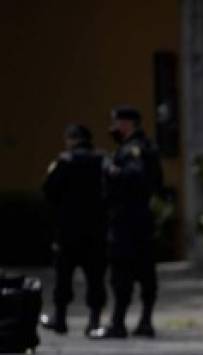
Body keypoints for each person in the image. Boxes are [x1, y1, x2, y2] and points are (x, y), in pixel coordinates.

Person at [90, 106, 163, 339]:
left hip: (127, 221)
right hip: (141, 219)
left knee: (122, 271)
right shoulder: (147, 147)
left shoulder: (133, 149)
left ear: (127, 124)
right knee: (145, 271)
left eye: (115, 123)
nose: (112, 128)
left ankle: (119, 323)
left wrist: (110, 170)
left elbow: (134, 175)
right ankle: (144, 321)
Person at [40, 124, 107, 335]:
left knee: (63, 277)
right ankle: (94, 321)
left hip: (68, 231)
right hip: (96, 229)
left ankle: (60, 320)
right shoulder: (102, 160)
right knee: (96, 277)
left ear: (71, 139)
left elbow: (48, 190)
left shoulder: (65, 161)